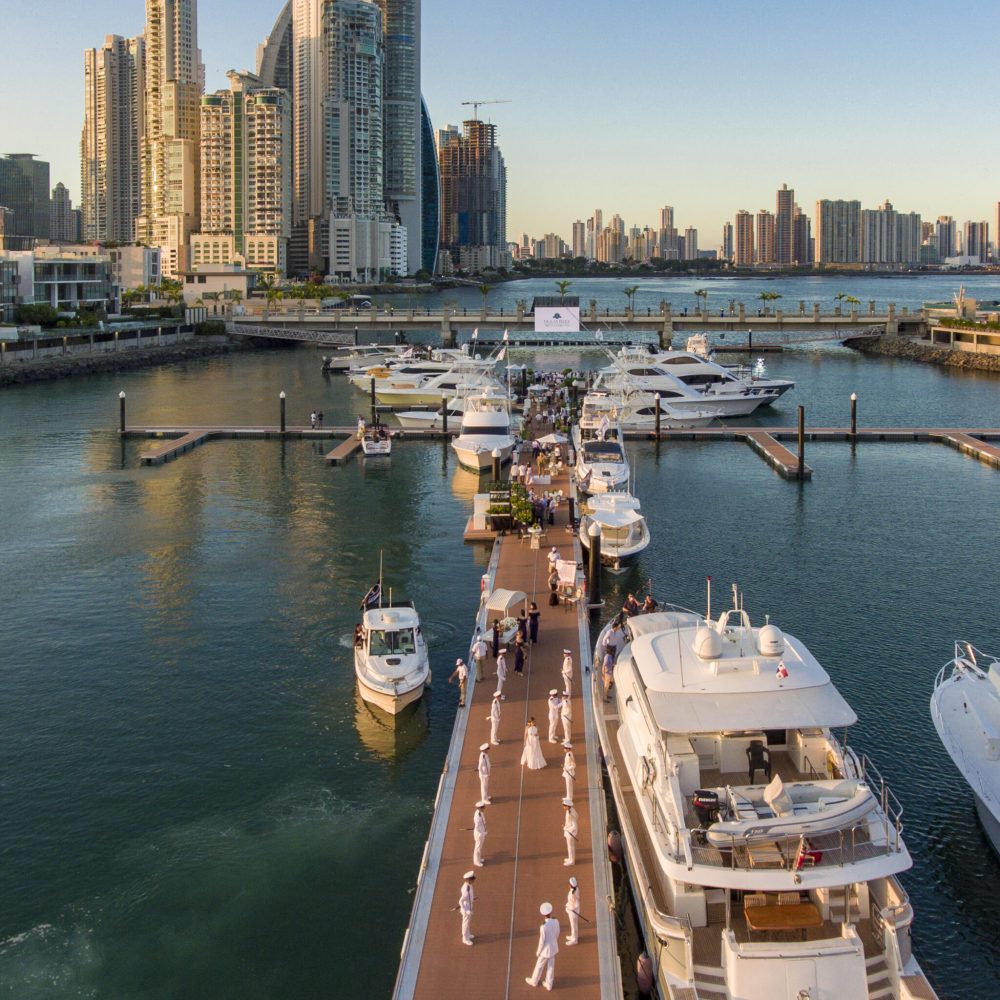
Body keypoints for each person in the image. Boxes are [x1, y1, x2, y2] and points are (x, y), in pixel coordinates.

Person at [525, 902, 560, 991]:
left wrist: (538, 952)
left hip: (545, 950)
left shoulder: (543, 926)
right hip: (553, 947)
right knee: (551, 966)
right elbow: (557, 932)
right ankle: (549, 984)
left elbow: (542, 941)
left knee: (539, 966)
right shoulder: (556, 921)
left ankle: (534, 981)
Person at [459, 872, 476, 946]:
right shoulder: (466, 890)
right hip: (466, 909)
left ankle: (468, 934)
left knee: (468, 922)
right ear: (468, 880)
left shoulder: (469, 885)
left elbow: (469, 896)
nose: (473, 880)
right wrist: (466, 911)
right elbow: (460, 901)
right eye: (472, 879)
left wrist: (472, 899)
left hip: (469, 906)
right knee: (465, 924)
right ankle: (465, 939)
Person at [562, 798, 579, 866]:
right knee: (569, 846)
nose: (563, 807)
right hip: (569, 830)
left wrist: (567, 829)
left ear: (568, 806)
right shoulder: (569, 811)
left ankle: (572, 861)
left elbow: (574, 826)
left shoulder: (571, 814)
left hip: (571, 832)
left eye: (564, 805)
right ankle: (570, 858)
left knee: (570, 846)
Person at [565, 877, 580, 946]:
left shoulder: (572, 893)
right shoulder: (576, 889)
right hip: (575, 911)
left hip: (573, 912)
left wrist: (569, 908)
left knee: (573, 925)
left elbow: (575, 904)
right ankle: (574, 936)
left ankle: (574, 940)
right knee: (574, 925)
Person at [473, 800, 488, 867]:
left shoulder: (479, 812)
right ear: (480, 808)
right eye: (483, 807)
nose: (484, 808)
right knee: (478, 848)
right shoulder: (477, 818)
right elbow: (477, 828)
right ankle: (476, 861)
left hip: (481, 832)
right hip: (479, 834)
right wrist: (483, 833)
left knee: (479, 847)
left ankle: (478, 859)